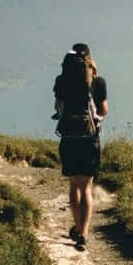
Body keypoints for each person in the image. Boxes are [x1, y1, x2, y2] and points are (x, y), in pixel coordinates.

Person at [53, 41, 108, 251]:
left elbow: (57, 107)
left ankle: (76, 227)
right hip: (89, 140)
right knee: (87, 187)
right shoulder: (97, 81)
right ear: (89, 58)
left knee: (74, 186)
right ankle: (83, 234)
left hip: (68, 139)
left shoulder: (61, 80)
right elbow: (103, 111)